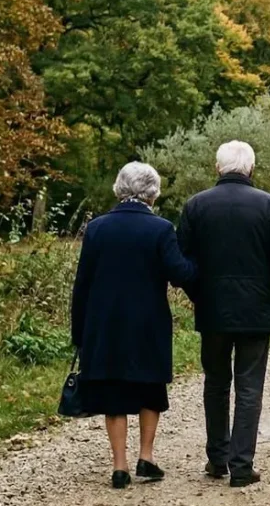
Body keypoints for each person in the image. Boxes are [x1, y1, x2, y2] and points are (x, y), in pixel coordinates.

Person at [178, 141, 270, 488]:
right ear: (251, 169)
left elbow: (182, 260)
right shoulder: (269, 205)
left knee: (215, 384)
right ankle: (241, 465)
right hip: (255, 310)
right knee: (249, 387)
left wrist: (198, 293)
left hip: (212, 309)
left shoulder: (196, 205)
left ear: (218, 168)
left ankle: (217, 458)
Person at [71, 162, 198, 489]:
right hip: (147, 322)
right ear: (152, 192)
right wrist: (198, 261)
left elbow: (82, 283)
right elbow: (180, 273)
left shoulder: (97, 228)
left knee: (113, 389)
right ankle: (146, 456)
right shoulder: (161, 229)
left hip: (104, 323)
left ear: (120, 188)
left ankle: (119, 466)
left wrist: (79, 332)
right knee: (149, 386)